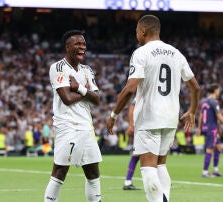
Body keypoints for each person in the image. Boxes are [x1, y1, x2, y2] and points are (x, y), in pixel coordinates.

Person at [106, 15, 200, 202]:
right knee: (161, 165)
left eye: (136, 32)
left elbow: (130, 89)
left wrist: (114, 114)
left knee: (148, 166)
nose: (136, 35)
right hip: (171, 117)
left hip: (149, 116)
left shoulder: (141, 53)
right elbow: (195, 87)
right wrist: (192, 111)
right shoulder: (176, 52)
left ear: (143, 31)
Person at [44, 30, 102, 202]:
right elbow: (67, 99)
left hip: (86, 128)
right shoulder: (58, 67)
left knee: (93, 172)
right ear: (67, 47)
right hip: (68, 127)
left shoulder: (87, 70)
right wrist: (85, 92)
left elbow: (97, 99)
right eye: (77, 44)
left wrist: (79, 88)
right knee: (60, 171)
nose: (82, 47)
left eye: (83, 44)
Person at [196, 83, 223, 177]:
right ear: (215, 90)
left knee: (219, 146)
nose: (219, 91)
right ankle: (205, 172)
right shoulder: (213, 101)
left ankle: (215, 170)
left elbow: (201, 116)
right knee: (210, 150)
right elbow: (219, 115)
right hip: (211, 129)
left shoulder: (204, 102)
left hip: (208, 128)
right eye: (218, 89)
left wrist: (199, 128)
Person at [123, 102, 141, 190]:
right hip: (142, 129)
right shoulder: (142, 93)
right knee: (136, 155)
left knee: (136, 156)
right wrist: (131, 125)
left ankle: (127, 181)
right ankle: (127, 182)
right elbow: (132, 106)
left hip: (146, 128)